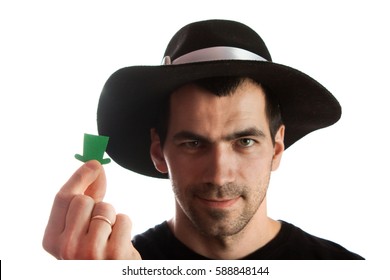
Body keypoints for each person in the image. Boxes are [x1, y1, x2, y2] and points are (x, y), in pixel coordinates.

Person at [42, 19, 363, 260]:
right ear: (158, 151)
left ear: (276, 148)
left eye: (245, 142)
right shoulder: (117, 268)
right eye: (193, 143)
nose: (219, 174)